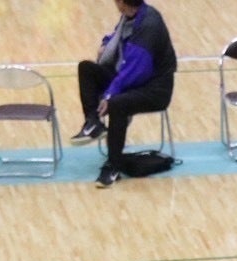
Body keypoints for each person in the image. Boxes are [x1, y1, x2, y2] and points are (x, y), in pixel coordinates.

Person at [74, 0, 177, 188]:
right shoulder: (131, 16)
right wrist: (106, 44)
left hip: (154, 89)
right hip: (131, 77)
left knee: (117, 103)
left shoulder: (149, 25)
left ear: (122, 3)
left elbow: (136, 70)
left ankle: (113, 166)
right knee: (86, 69)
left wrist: (109, 94)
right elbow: (118, 36)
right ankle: (94, 123)